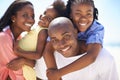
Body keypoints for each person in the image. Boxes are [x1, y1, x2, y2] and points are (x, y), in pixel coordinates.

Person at [43, 0, 109, 79]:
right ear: (70, 14)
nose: (83, 18)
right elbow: (48, 50)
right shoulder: (63, 25)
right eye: (78, 13)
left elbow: (91, 56)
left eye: (88, 14)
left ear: (93, 14)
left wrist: (59, 73)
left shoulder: (96, 28)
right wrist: (54, 73)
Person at [46, 17, 119, 80]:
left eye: (66, 36)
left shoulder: (104, 58)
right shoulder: (53, 58)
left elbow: (91, 57)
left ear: (75, 32)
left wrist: (59, 73)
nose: (61, 44)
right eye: (54, 40)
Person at [13, 0, 66, 80]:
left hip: (27, 71)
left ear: (54, 24)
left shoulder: (43, 32)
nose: (43, 16)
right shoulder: (36, 28)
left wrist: (18, 51)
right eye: (45, 13)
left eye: (48, 18)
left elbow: (37, 55)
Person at [0, 0, 35, 80]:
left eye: (32, 16)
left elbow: (33, 63)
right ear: (13, 18)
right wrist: (25, 61)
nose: (31, 20)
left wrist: (24, 61)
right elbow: (17, 72)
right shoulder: (4, 38)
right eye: (25, 15)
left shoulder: (19, 39)